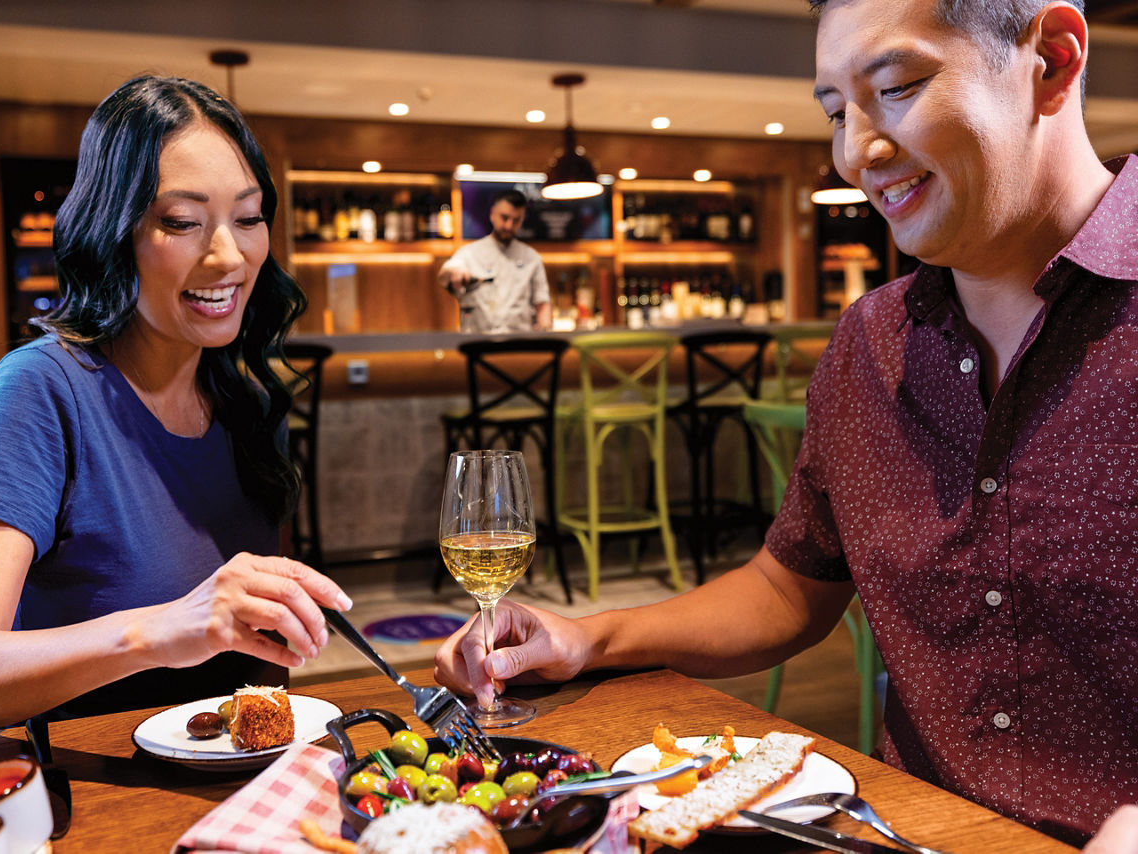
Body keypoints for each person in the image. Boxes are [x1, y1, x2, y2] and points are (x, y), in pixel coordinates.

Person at [435, 0, 1138, 847]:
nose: (857, 153)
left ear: (1053, 62)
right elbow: (786, 589)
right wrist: (586, 637)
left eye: (899, 87)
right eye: (838, 113)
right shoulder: (868, 346)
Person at [0, 75, 352, 734]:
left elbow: (261, 669)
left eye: (248, 217)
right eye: (182, 222)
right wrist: (158, 630)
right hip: (87, 806)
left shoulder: (247, 401)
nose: (229, 255)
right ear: (114, 231)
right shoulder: (40, 390)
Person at [438, 190, 552, 333]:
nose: (509, 226)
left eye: (516, 220)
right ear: (492, 214)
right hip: (477, 342)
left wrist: (545, 331)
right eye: (504, 218)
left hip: (520, 343)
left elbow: (542, 303)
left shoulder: (532, 258)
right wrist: (455, 271)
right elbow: (444, 274)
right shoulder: (469, 253)